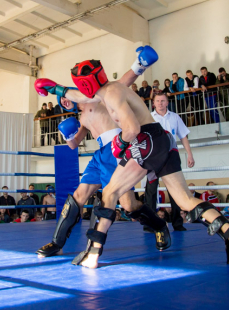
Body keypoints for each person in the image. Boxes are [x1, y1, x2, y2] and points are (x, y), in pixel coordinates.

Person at [37, 57, 229, 268]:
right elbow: (78, 96)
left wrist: (119, 143)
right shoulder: (103, 93)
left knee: (110, 193)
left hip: (143, 140)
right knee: (185, 200)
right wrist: (55, 89)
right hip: (162, 140)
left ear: (85, 84)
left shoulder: (109, 95)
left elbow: (132, 128)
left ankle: (93, 253)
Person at [36, 48, 170, 257]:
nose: (64, 101)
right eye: (62, 101)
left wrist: (139, 66)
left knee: (129, 205)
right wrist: (67, 135)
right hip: (99, 155)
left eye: (66, 97)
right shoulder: (82, 119)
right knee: (77, 197)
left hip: (117, 149)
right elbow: (74, 145)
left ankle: (159, 225)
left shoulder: (98, 99)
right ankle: (56, 243)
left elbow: (123, 82)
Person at [149, 91, 197, 232]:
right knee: (151, 191)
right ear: (153, 103)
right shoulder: (149, 117)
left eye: (163, 100)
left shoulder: (175, 117)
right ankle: (149, 224)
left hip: (171, 157)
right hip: (153, 157)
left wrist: (189, 154)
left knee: (175, 190)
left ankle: (177, 223)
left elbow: (183, 137)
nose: (160, 103)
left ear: (167, 102)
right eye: (158, 101)